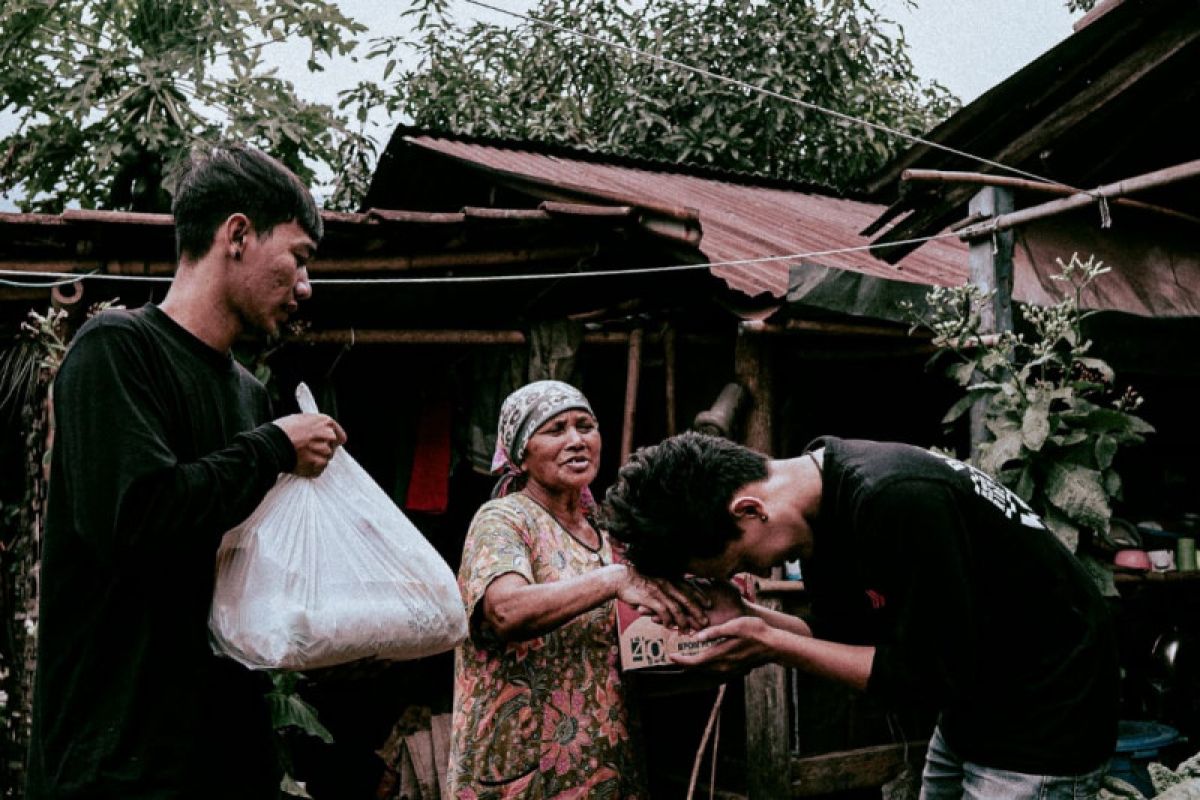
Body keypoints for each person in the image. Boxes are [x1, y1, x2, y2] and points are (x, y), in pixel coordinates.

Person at [26, 143, 348, 799]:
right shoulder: (117, 349)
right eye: (298, 258)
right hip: (116, 762)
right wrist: (273, 450)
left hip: (219, 756)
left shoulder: (247, 393)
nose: (306, 287)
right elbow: (137, 519)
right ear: (237, 235)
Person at [603, 432, 1120, 800]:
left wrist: (768, 643)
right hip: (978, 702)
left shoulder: (894, 498)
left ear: (749, 511)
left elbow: (919, 675)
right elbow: (842, 638)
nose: (751, 570)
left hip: (1046, 712)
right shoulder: (818, 505)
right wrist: (746, 614)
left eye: (738, 561)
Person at [446, 380, 709, 799]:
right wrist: (613, 580)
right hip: (522, 772)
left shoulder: (607, 529)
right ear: (521, 454)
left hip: (603, 767)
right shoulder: (503, 520)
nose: (576, 440)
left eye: (585, 426)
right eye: (555, 430)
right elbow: (505, 611)